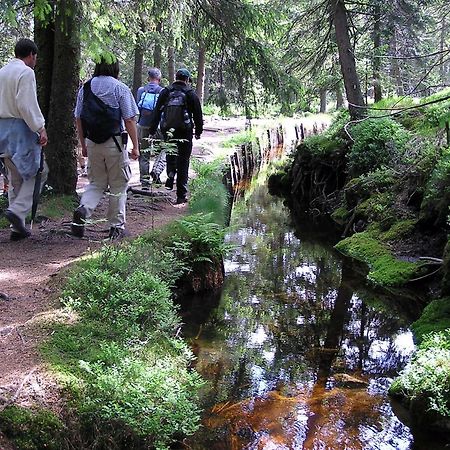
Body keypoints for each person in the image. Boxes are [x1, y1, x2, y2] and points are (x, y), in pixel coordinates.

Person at [72, 56, 139, 240]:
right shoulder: (120, 88)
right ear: (115, 68)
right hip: (115, 143)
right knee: (118, 184)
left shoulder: (85, 88)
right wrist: (135, 147)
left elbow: (78, 118)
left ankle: (84, 210)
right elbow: (130, 119)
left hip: (93, 142)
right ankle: (116, 227)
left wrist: (83, 144)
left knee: (96, 183)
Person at [0, 38, 48, 241]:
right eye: (35, 57)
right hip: (21, 129)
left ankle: (16, 227)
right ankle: (18, 212)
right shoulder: (26, 73)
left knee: (14, 177)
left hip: (2, 129)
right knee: (39, 172)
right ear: (31, 55)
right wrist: (40, 128)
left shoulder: (2, 72)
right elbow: (26, 104)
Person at [149, 68, 203, 205]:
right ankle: (181, 195)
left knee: (171, 155)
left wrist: (152, 129)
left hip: (168, 130)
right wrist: (198, 132)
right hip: (185, 132)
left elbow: (157, 111)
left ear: (176, 77)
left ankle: (171, 174)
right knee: (184, 161)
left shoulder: (166, 91)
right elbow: (198, 115)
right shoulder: (190, 94)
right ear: (186, 80)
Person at [136, 68, 163, 189]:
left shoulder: (141, 90)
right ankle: (156, 171)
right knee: (161, 151)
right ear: (159, 79)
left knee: (144, 154)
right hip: (157, 126)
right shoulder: (162, 91)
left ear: (148, 78)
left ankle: (145, 182)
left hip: (142, 125)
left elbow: (138, 108)